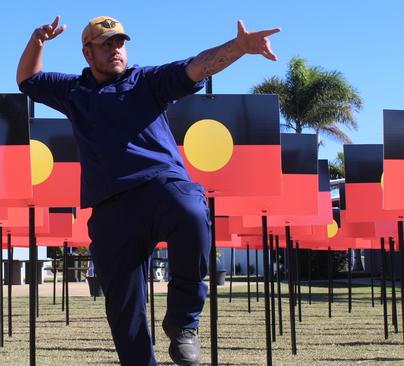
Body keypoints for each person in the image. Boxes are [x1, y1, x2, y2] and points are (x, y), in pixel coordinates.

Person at [17, 15, 279, 366]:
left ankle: (183, 322)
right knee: (124, 311)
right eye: (106, 43)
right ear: (87, 53)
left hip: (161, 188)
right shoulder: (74, 91)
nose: (116, 49)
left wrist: (239, 47)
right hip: (111, 209)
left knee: (190, 211)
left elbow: (196, 67)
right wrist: (38, 41)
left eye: (120, 42)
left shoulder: (147, 81)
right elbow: (28, 80)